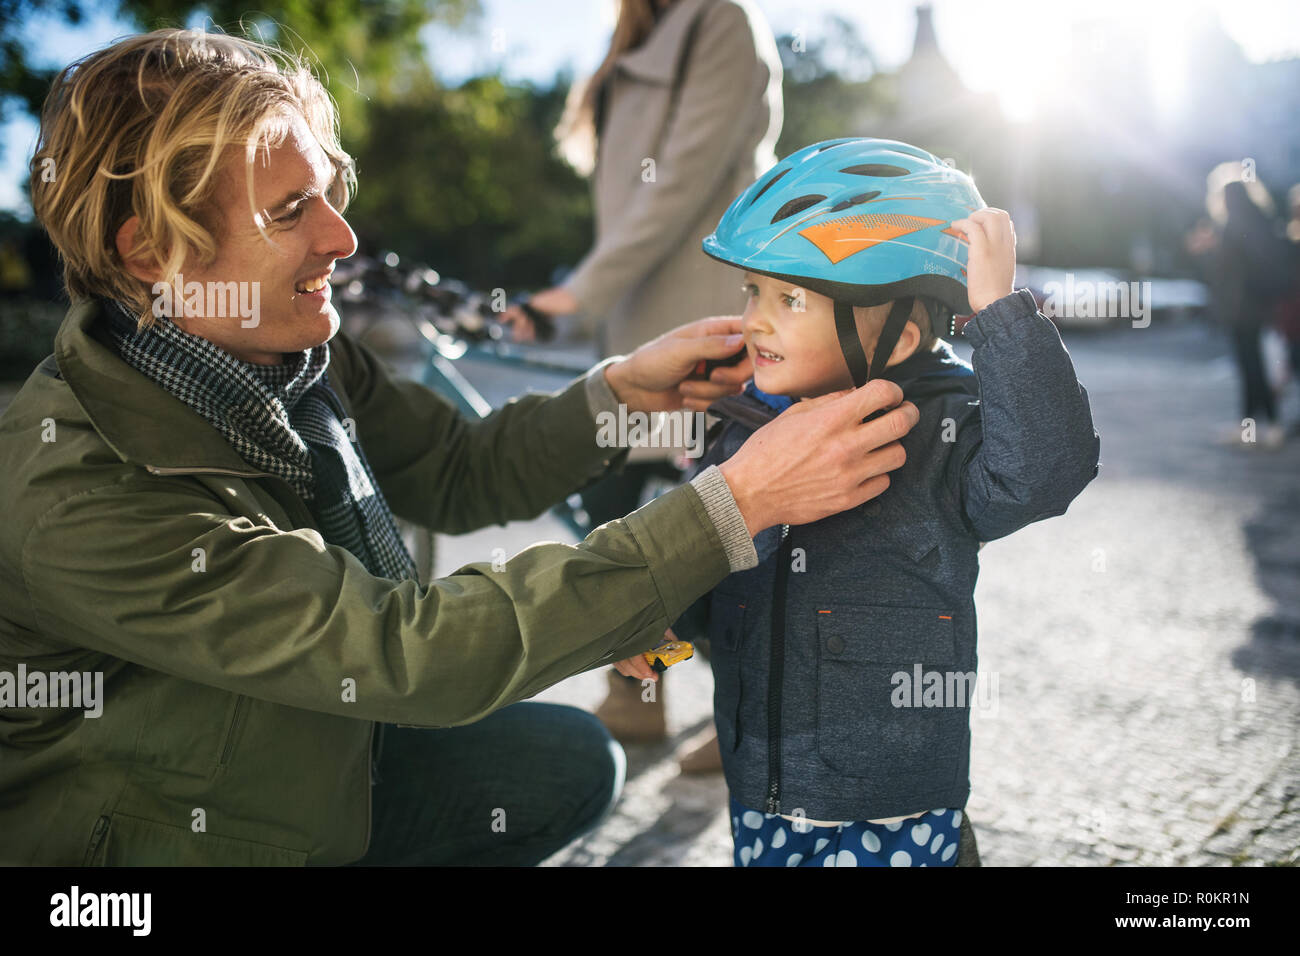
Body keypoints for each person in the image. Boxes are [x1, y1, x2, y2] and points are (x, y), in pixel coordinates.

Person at [0, 31, 920, 866]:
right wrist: (735, 504)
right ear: (154, 253)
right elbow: (405, 654)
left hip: (308, 747)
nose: (342, 237)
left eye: (328, 192)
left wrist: (620, 395)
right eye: (290, 213)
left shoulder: (284, 347)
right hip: (160, 847)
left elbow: (456, 469)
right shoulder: (79, 492)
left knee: (562, 764)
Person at [616, 138, 1101, 866]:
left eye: (790, 298)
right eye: (752, 291)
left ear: (901, 333)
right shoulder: (746, 429)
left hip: (897, 816)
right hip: (762, 797)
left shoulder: (939, 439)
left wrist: (1001, 315)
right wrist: (663, 624)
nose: (754, 319)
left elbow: (1048, 468)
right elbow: (708, 556)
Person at [504, 0, 783, 765]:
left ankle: (755, 718)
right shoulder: (640, 36)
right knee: (617, 525)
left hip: (703, 321)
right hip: (637, 326)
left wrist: (579, 292)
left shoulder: (719, 19)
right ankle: (642, 695)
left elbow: (682, 182)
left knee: (715, 536)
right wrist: (581, 302)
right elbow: (628, 204)